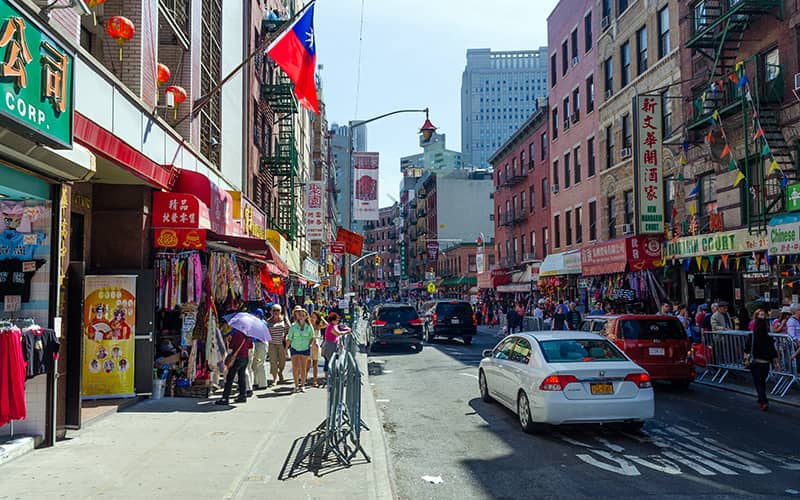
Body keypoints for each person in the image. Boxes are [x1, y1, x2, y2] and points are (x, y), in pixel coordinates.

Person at [744, 309, 780, 411]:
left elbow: (746, 350)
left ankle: (763, 401)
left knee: (758, 383)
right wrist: (776, 363)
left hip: (756, 362)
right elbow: (773, 352)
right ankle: (761, 399)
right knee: (762, 382)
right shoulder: (768, 338)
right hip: (766, 363)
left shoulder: (752, 336)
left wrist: (745, 358)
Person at [215, 327, 253, 406]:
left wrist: (229, 340)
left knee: (229, 378)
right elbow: (250, 346)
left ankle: (225, 398)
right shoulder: (248, 335)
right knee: (241, 376)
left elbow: (231, 346)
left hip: (237, 358)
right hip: (245, 358)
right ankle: (243, 395)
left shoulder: (237, 334)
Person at [287, 306, 315, 393]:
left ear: (306, 316)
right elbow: (289, 338)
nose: (301, 316)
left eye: (303, 315)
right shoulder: (293, 326)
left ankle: (302, 385)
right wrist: (286, 349)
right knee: (295, 367)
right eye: (300, 315)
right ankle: (296, 385)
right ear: (298, 316)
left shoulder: (309, 326)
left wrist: (310, 344)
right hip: (295, 348)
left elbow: (312, 337)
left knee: (303, 367)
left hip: (305, 348)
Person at [267, 304, 290, 388]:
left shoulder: (284, 320)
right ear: (271, 311)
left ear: (280, 311)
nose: (276, 312)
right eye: (274, 310)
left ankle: (280, 372)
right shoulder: (268, 321)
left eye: (277, 310)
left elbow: (289, 330)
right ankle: (274, 378)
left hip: (281, 343)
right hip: (272, 343)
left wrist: (286, 337)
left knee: (282, 361)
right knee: (273, 361)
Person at [249, 308, 269, 390]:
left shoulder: (261, 323)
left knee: (259, 364)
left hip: (261, 344)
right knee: (256, 364)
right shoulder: (263, 322)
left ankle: (262, 383)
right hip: (260, 344)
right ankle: (257, 382)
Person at [309, 310, 328, 387]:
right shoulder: (308, 324)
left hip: (316, 346)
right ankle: (303, 380)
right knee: (307, 364)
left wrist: (322, 318)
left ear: (317, 318)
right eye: (311, 316)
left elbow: (326, 324)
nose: (312, 318)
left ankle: (315, 381)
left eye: (314, 317)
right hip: (308, 345)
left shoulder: (318, 325)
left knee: (315, 364)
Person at [787, 304, 800, 375]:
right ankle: (793, 356)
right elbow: (792, 335)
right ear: (796, 311)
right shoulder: (791, 321)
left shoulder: (798, 320)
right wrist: (798, 342)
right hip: (796, 345)